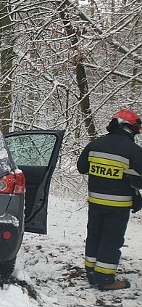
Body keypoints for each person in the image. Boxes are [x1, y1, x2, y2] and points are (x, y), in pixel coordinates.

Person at [77, 109, 142, 290]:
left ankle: (91, 274)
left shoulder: (95, 144)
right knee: (111, 241)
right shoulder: (134, 151)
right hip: (118, 206)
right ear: (130, 128)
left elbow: (82, 167)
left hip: (95, 202)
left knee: (94, 236)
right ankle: (105, 280)